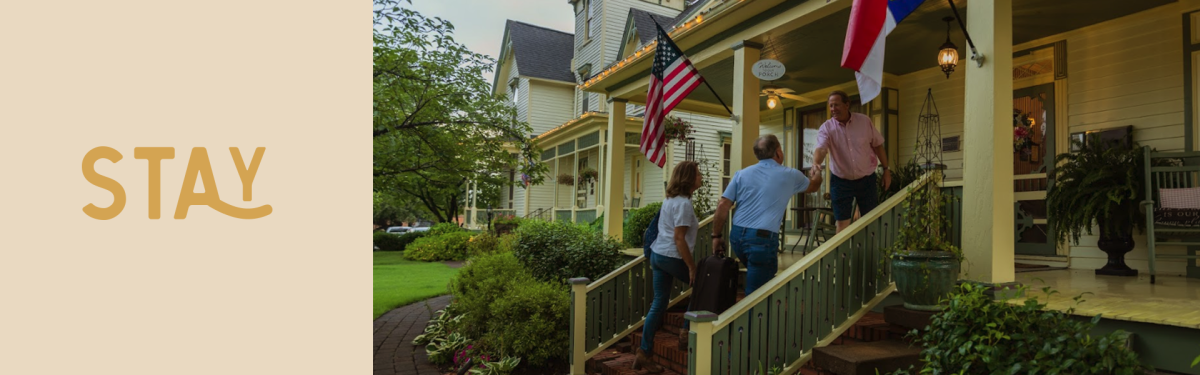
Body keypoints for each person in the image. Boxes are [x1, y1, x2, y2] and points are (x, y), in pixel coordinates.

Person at [711, 135, 823, 297]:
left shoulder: (741, 174)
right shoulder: (790, 175)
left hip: (737, 237)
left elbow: (722, 205)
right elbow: (814, 186)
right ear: (778, 153)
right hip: (761, 240)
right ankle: (752, 320)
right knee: (757, 294)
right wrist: (817, 172)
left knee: (758, 277)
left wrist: (716, 236)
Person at [634, 161, 703, 373]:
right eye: (698, 174)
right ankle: (685, 333)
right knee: (702, 287)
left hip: (658, 254)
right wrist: (691, 267)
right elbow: (679, 239)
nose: (701, 177)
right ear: (689, 178)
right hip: (670, 256)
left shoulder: (670, 200)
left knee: (659, 302)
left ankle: (644, 353)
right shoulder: (682, 204)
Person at [813, 90, 890, 233]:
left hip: (866, 179)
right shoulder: (827, 127)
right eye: (830, 106)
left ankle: (867, 254)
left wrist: (886, 170)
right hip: (841, 180)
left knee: (870, 221)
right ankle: (842, 256)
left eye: (836, 105)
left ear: (847, 104)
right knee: (842, 224)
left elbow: (878, 145)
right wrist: (816, 163)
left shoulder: (864, 121)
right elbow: (821, 148)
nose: (833, 109)